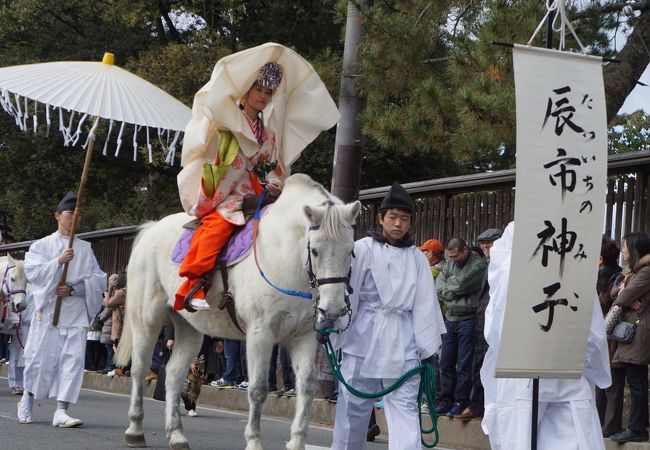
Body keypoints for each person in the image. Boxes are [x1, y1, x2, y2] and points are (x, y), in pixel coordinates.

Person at [330, 181, 446, 450]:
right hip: (363, 337)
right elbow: (348, 293)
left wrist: (427, 349)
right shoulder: (362, 249)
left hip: (403, 339)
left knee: (404, 404)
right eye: (392, 217)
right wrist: (335, 325)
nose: (398, 224)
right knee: (353, 405)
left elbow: (425, 303)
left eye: (404, 219)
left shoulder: (417, 257)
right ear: (381, 218)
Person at [481, 223, 611, 450]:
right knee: (574, 437)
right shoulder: (570, 261)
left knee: (521, 435)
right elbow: (592, 331)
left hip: (524, 367)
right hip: (566, 365)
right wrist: (592, 366)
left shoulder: (513, 267)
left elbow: (495, 329)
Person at [175, 63, 286, 312]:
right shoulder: (227, 125)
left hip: (261, 195)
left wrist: (275, 186)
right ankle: (194, 285)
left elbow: (274, 169)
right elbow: (221, 163)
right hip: (230, 194)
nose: (263, 96)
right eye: (258, 89)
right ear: (244, 92)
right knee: (218, 226)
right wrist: (244, 188)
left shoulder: (269, 134)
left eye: (268, 93)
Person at [17, 192, 106, 427]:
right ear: (58, 216)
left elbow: (98, 279)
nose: (74, 219)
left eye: (78, 215)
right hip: (48, 314)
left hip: (74, 313)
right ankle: (27, 398)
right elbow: (33, 273)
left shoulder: (85, 248)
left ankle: (61, 409)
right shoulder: (42, 245)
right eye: (70, 214)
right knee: (40, 359)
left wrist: (75, 290)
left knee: (72, 361)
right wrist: (57, 261)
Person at [454, 228, 502, 421]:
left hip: (496, 324)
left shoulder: (505, 265)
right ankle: (477, 406)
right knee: (478, 364)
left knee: (492, 366)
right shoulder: (488, 264)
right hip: (481, 320)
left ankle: (487, 407)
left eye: (490, 243)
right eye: (483, 244)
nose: (486, 247)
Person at [435, 237, 487, 417]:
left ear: (465, 250)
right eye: (450, 257)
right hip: (450, 318)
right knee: (446, 362)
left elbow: (463, 284)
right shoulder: (449, 264)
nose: (453, 259)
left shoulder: (478, 265)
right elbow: (439, 287)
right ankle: (445, 399)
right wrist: (453, 287)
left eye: (456, 256)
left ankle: (461, 400)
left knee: (465, 363)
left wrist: (451, 286)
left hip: (468, 319)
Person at [608, 232, 650, 443]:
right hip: (633, 331)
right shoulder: (634, 272)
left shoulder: (646, 272)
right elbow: (617, 292)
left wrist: (625, 294)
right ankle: (637, 426)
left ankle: (637, 428)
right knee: (636, 380)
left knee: (637, 381)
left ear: (634, 248)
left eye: (625, 246)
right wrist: (624, 293)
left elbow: (622, 296)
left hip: (639, 332)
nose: (622, 250)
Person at [594, 235, 624, 437]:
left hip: (611, 336)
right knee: (601, 380)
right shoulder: (617, 276)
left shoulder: (612, 279)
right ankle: (599, 424)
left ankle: (609, 426)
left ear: (601, 258)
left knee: (611, 381)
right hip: (604, 336)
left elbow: (605, 303)